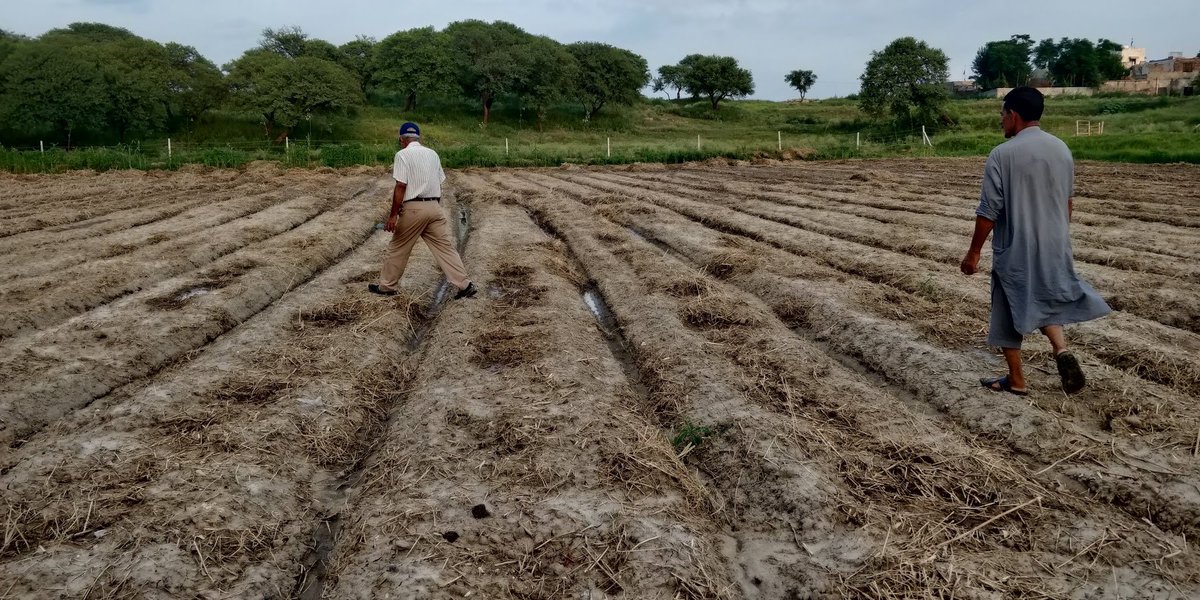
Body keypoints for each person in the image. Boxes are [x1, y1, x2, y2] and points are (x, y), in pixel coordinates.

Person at [960, 87, 1110, 396]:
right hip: (1055, 242)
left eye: (1002, 115)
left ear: (1013, 115)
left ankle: (1016, 380)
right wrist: (1057, 236)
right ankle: (1060, 349)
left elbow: (989, 211)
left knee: (1006, 309)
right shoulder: (1062, 149)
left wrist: (973, 253)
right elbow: (1067, 203)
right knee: (1044, 298)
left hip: (1017, 246)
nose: (1001, 121)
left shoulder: (1002, 154)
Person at [369, 122, 477, 299]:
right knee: (445, 248)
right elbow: (439, 181)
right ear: (419, 137)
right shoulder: (433, 154)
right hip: (434, 207)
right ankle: (464, 285)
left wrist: (393, 215)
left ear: (402, 139)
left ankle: (387, 286)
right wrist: (435, 206)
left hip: (413, 208)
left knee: (398, 247)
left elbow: (401, 185)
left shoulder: (402, 155)